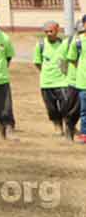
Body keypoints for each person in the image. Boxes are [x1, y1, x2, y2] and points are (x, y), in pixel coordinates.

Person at [33, 21, 77, 139]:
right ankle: (57, 125)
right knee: (51, 108)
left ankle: (69, 126)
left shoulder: (64, 44)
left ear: (57, 30)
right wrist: (46, 73)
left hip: (62, 81)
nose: (48, 34)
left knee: (66, 106)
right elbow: (37, 63)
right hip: (46, 83)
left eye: (51, 31)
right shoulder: (40, 45)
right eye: (46, 32)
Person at [65, 13, 86, 145]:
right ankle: (84, 135)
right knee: (84, 112)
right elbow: (72, 59)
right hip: (83, 83)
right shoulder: (78, 41)